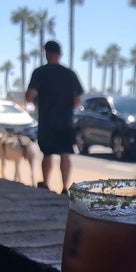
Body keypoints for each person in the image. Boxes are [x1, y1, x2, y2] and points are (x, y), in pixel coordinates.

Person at [25, 40, 84, 194]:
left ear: (47, 53)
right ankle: (64, 188)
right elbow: (78, 98)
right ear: (59, 54)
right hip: (66, 121)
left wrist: (33, 101)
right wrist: (67, 109)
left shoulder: (40, 72)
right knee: (65, 153)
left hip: (47, 120)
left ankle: (45, 184)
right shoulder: (70, 74)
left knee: (47, 153)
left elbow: (30, 95)